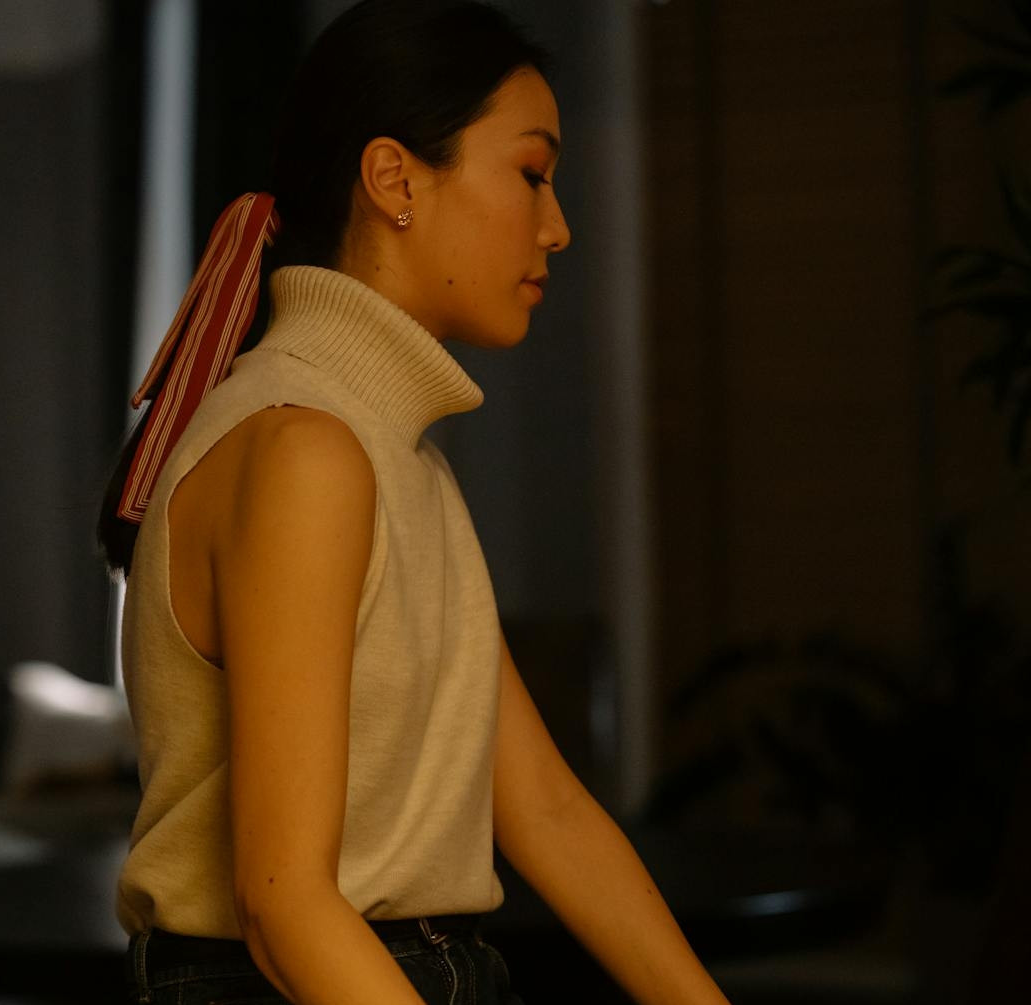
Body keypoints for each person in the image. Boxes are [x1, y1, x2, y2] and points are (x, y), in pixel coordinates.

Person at [98, 3, 732, 1003]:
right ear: (395, 179)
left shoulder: (396, 460)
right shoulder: (306, 450)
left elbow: (547, 811)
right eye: (532, 173)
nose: (557, 227)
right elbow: (284, 906)